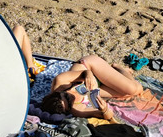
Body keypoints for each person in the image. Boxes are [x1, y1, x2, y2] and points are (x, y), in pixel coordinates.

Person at [13, 24, 142, 121]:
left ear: (58, 92)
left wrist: (88, 75)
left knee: (133, 88)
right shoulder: (77, 109)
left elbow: (84, 74)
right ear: (68, 110)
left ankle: (120, 69)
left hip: (90, 67)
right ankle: (121, 71)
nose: (71, 98)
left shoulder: (60, 82)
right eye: (69, 104)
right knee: (128, 95)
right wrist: (104, 110)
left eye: (66, 96)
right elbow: (106, 116)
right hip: (97, 86)